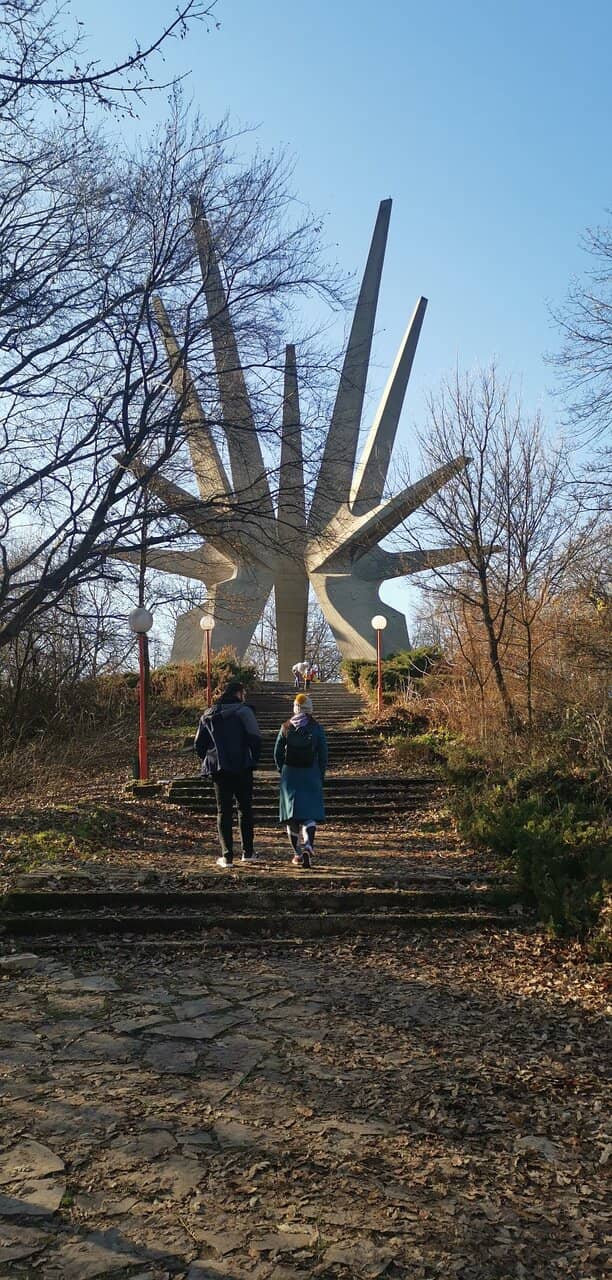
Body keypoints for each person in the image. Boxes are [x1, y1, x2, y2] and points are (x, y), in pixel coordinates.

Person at [194, 679, 262, 869]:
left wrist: (209, 758)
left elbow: (199, 744)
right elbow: (255, 738)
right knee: (245, 809)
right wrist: (253, 759)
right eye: (244, 693)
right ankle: (248, 852)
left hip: (219, 768)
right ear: (238, 693)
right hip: (242, 766)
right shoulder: (244, 711)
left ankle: (227, 856)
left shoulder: (208, 714)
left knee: (223, 811)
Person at [274, 692, 328, 869]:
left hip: (290, 774)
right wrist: (320, 773)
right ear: (310, 709)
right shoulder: (316, 728)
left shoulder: (285, 727)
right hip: (310, 773)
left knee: (292, 817)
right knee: (309, 814)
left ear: (295, 709)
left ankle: (297, 854)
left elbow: (277, 753)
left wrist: (282, 769)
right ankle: (309, 845)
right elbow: (323, 753)